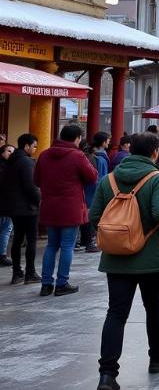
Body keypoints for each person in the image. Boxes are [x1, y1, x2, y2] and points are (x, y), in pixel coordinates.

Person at [90, 132, 159, 390]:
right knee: (154, 305)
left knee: (116, 313)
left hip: (116, 257)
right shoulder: (157, 178)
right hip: (151, 256)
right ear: (155, 152)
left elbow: (95, 216)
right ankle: (157, 356)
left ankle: (107, 373)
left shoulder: (109, 179)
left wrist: (117, 232)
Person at [34, 124, 98, 296]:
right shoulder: (77, 156)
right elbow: (92, 177)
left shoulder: (44, 154)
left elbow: (37, 180)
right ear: (77, 138)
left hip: (49, 206)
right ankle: (62, 282)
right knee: (67, 245)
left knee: (51, 245)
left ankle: (46, 283)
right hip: (71, 207)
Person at [0, 133, 40, 284]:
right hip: (27, 207)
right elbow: (31, 186)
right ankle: (30, 272)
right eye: (34, 146)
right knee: (31, 240)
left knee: (17, 239)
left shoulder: (12, 160)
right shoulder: (26, 162)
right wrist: (38, 200)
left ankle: (17, 272)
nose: (35, 149)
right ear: (27, 146)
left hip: (14, 206)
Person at [80, 131, 110, 253]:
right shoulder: (100, 158)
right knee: (91, 214)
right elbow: (102, 177)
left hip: (86, 190)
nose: (109, 142)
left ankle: (83, 240)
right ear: (103, 142)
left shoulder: (89, 155)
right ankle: (89, 240)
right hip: (93, 191)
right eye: (108, 140)